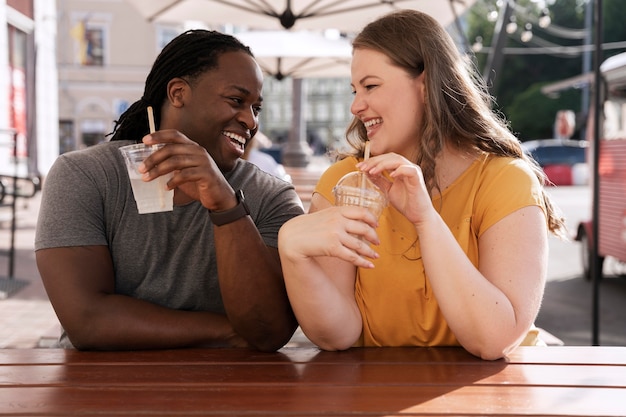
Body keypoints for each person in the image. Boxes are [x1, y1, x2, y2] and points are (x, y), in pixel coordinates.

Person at [278, 10, 567, 360]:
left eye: (370, 86)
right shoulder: (344, 181)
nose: (355, 106)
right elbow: (338, 335)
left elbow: (494, 340)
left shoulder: (505, 179)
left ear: (426, 85)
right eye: (354, 90)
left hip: (492, 392)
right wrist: (292, 253)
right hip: (379, 392)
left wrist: (425, 219)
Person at [35, 29, 303, 351]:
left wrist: (225, 205)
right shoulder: (85, 176)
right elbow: (88, 321)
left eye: (255, 108)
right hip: (103, 389)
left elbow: (268, 330)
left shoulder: (272, 197)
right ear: (178, 93)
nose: (250, 120)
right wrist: (229, 331)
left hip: (228, 390)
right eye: (236, 100)